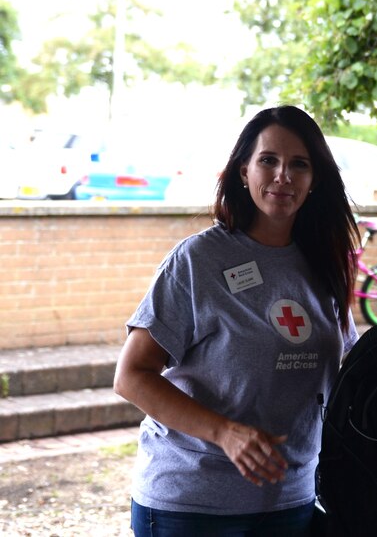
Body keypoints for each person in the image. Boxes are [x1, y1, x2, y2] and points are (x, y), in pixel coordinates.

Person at [113, 105, 359, 536]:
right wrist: (225, 433)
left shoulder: (324, 264)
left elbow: (347, 370)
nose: (283, 175)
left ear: (314, 179)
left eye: (299, 164)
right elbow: (132, 375)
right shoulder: (198, 260)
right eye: (269, 160)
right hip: (192, 507)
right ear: (243, 171)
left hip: (291, 501)